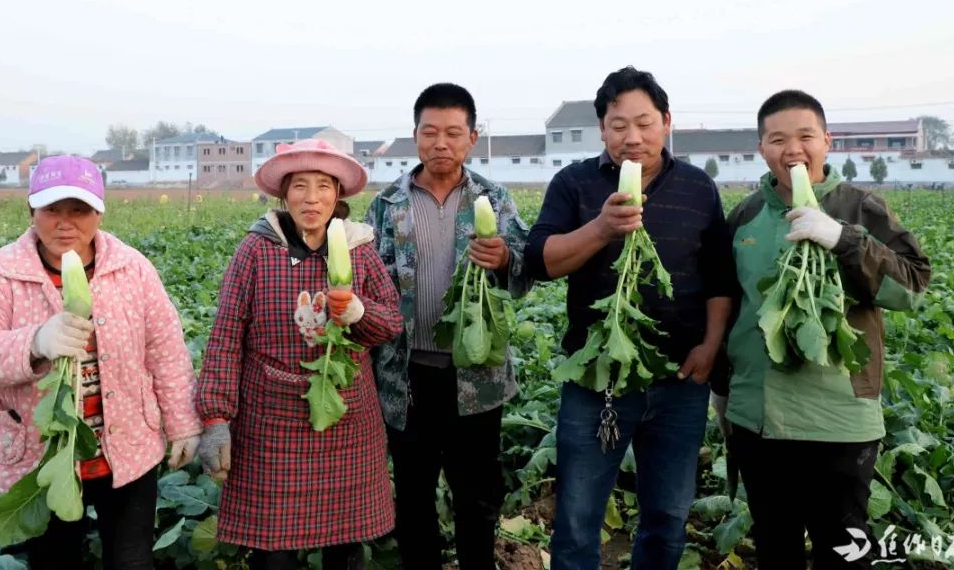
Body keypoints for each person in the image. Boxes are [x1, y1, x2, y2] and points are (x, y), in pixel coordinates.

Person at [0, 155, 201, 570]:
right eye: (51, 210)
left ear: (98, 213)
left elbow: (165, 349)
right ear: (31, 212)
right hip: (42, 460)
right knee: (54, 561)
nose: (65, 222)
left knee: (131, 561)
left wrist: (183, 422)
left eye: (78, 210)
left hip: (127, 450)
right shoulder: (0, 275)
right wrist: (35, 342)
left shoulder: (132, 269)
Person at [524, 67, 735, 570]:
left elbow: (720, 278)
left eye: (644, 122)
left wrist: (710, 346)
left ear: (666, 122)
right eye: (618, 125)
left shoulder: (698, 187)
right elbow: (540, 260)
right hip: (597, 380)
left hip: (681, 382)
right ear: (602, 129)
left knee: (667, 517)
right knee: (577, 520)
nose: (632, 137)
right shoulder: (573, 183)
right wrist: (600, 228)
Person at [716, 89, 931, 569]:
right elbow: (728, 305)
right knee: (776, 550)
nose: (792, 150)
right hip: (760, 420)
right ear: (762, 149)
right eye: (777, 139)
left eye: (805, 136)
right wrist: (723, 390)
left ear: (826, 142)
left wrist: (841, 238)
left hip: (841, 421)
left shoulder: (861, 207)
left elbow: (914, 285)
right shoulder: (745, 215)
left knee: (843, 553)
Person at [196, 139, 403, 570]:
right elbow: (226, 334)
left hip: (347, 418)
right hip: (270, 422)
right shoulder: (256, 249)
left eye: (324, 186)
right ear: (283, 194)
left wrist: (358, 311)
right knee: (275, 555)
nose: (312, 198)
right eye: (300, 186)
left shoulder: (358, 247)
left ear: (338, 195)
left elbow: (390, 324)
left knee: (345, 547)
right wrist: (215, 418)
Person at [364, 82, 532, 570]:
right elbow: (369, 282)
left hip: (476, 376)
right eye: (430, 132)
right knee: (413, 496)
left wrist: (504, 259)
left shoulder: (494, 200)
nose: (441, 143)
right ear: (414, 135)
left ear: (472, 138)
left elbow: (524, 273)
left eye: (453, 133)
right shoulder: (387, 204)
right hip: (405, 376)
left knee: (476, 498)